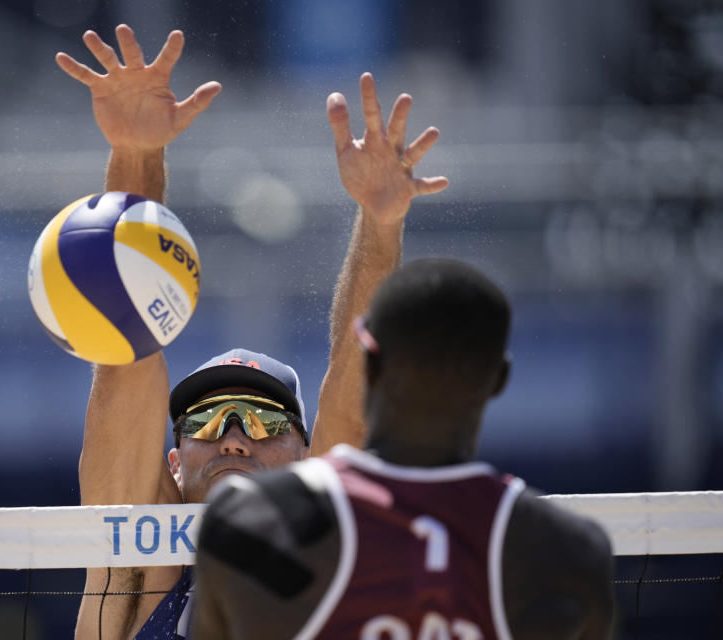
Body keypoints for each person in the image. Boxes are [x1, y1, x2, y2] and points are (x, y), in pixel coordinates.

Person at [54, 25, 450, 640]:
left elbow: (352, 389)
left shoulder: (329, 570)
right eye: (207, 424)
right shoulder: (132, 579)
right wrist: (136, 155)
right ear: (174, 468)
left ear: (307, 463)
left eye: (264, 423)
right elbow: (127, 351)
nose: (234, 441)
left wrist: (380, 223)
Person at [193, 258, 617, 640]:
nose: (234, 439)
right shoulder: (571, 552)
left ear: (371, 367)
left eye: (265, 424)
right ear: (499, 380)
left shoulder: (250, 521)